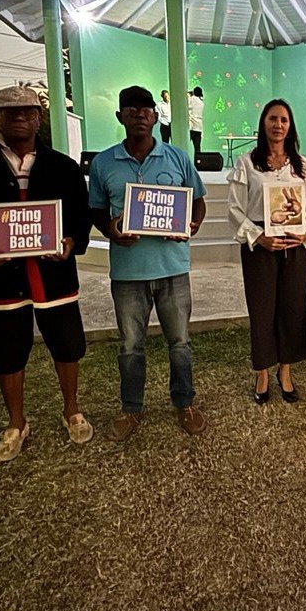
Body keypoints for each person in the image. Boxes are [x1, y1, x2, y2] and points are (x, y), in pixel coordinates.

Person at [0, 86, 94, 462]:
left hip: (55, 279)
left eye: (27, 111)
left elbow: (80, 215)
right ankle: (16, 422)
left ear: (38, 116)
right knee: (8, 354)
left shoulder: (63, 166)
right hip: (1, 280)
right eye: (9, 111)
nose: (19, 117)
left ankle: (71, 411)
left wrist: (72, 242)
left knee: (68, 347)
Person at [88, 85, 208, 440]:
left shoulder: (177, 158)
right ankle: (131, 410)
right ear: (120, 116)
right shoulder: (102, 163)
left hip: (173, 268)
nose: (140, 114)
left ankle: (184, 403)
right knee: (129, 346)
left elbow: (197, 201)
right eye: (132, 108)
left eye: (146, 109)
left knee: (181, 343)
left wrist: (192, 226)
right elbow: (95, 210)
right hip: (127, 273)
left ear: (156, 117)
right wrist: (110, 229)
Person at [227, 99, 306, 403]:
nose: (278, 125)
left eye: (283, 120)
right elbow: (235, 211)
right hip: (260, 247)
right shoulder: (247, 163)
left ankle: (286, 371)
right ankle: (263, 372)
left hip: (293, 247)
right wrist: (258, 236)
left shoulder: (301, 165)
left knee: (293, 308)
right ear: (263, 123)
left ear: (290, 126)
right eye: (272, 119)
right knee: (262, 310)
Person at [189, 86, 204, 154]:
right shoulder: (201, 102)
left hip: (191, 126)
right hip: (199, 126)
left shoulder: (192, 98)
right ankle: (198, 162)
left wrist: (189, 94)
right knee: (197, 147)